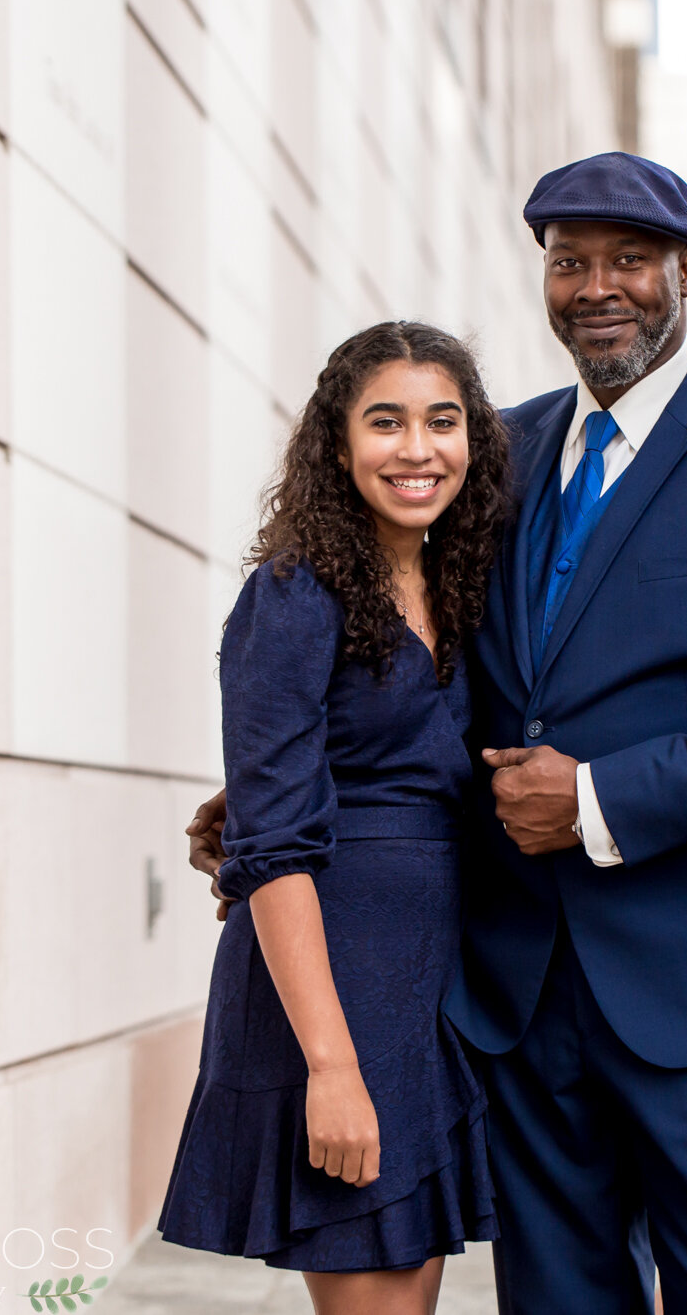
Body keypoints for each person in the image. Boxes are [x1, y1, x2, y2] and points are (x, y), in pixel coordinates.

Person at [192, 153, 687, 1314]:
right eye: (570, 263)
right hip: (514, 993)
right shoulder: (493, 453)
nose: (597, 287)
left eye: (628, 261)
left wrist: (598, 798)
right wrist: (273, 798)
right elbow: (432, 667)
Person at [159, 322, 510, 1315]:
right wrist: (331, 1068)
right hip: (334, 993)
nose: (416, 449)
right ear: (336, 440)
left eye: (442, 422)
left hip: (425, 991)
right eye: (385, 422)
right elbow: (272, 851)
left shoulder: (453, 581)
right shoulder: (291, 593)